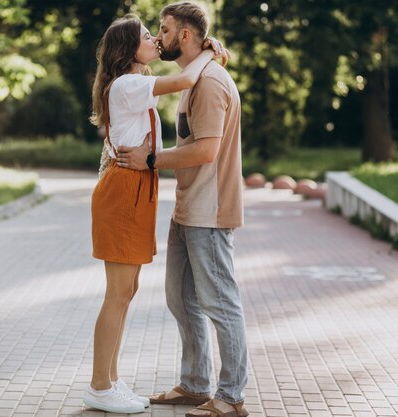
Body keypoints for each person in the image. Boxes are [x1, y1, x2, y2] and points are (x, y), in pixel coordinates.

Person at [86, 12, 225, 415]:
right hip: (123, 191)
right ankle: (98, 386)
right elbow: (184, 80)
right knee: (117, 294)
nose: (155, 40)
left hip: (135, 188)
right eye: (148, 35)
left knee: (125, 292)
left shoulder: (133, 84)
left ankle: (109, 380)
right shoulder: (129, 83)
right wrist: (210, 51)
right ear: (130, 49)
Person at [115, 2, 249, 417]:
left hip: (209, 212)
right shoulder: (193, 78)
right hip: (188, 210)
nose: (159, 36)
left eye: (165, 29)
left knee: (220, 303)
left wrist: (150, 159)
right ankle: (195, 384)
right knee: (180, 298)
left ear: (185, 35)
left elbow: (206, 151)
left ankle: (230, 396)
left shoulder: (209, 83)